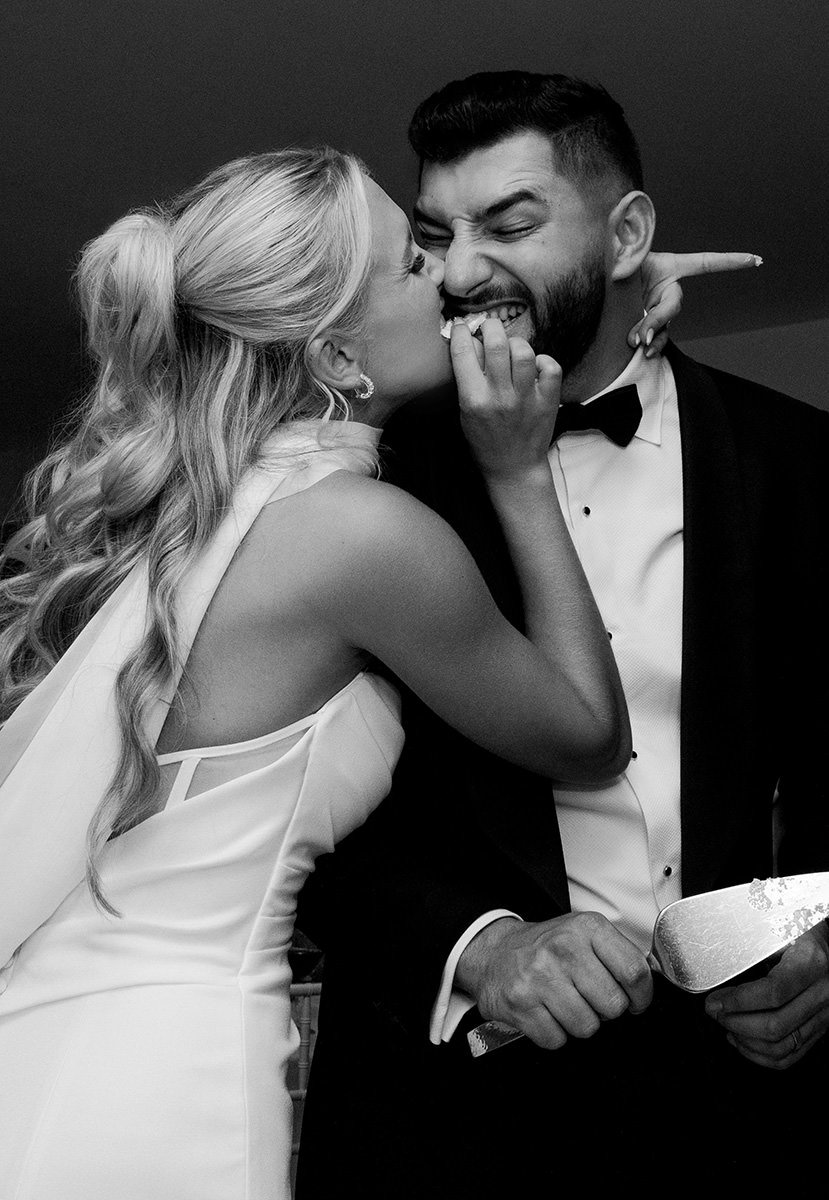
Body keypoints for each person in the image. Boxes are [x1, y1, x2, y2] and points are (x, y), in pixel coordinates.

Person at [0, 143, 720, 1198]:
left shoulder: (207, 516)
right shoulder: (358, 535)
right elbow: (583, 735)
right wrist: (519, 476)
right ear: (339, 361)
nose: (453, 277)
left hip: (53, 1040)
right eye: (411, 263)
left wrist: (603, 297)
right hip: (165, 1074)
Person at [295, 73, 829, 1197]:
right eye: (435, 234)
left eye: (513, 224)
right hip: (442, 1111)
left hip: (746, 1106)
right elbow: (282, 796)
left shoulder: (802, 464)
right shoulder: (363, 475)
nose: (461, 270)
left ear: (628, 232)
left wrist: (826, 949)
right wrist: (478, 946)